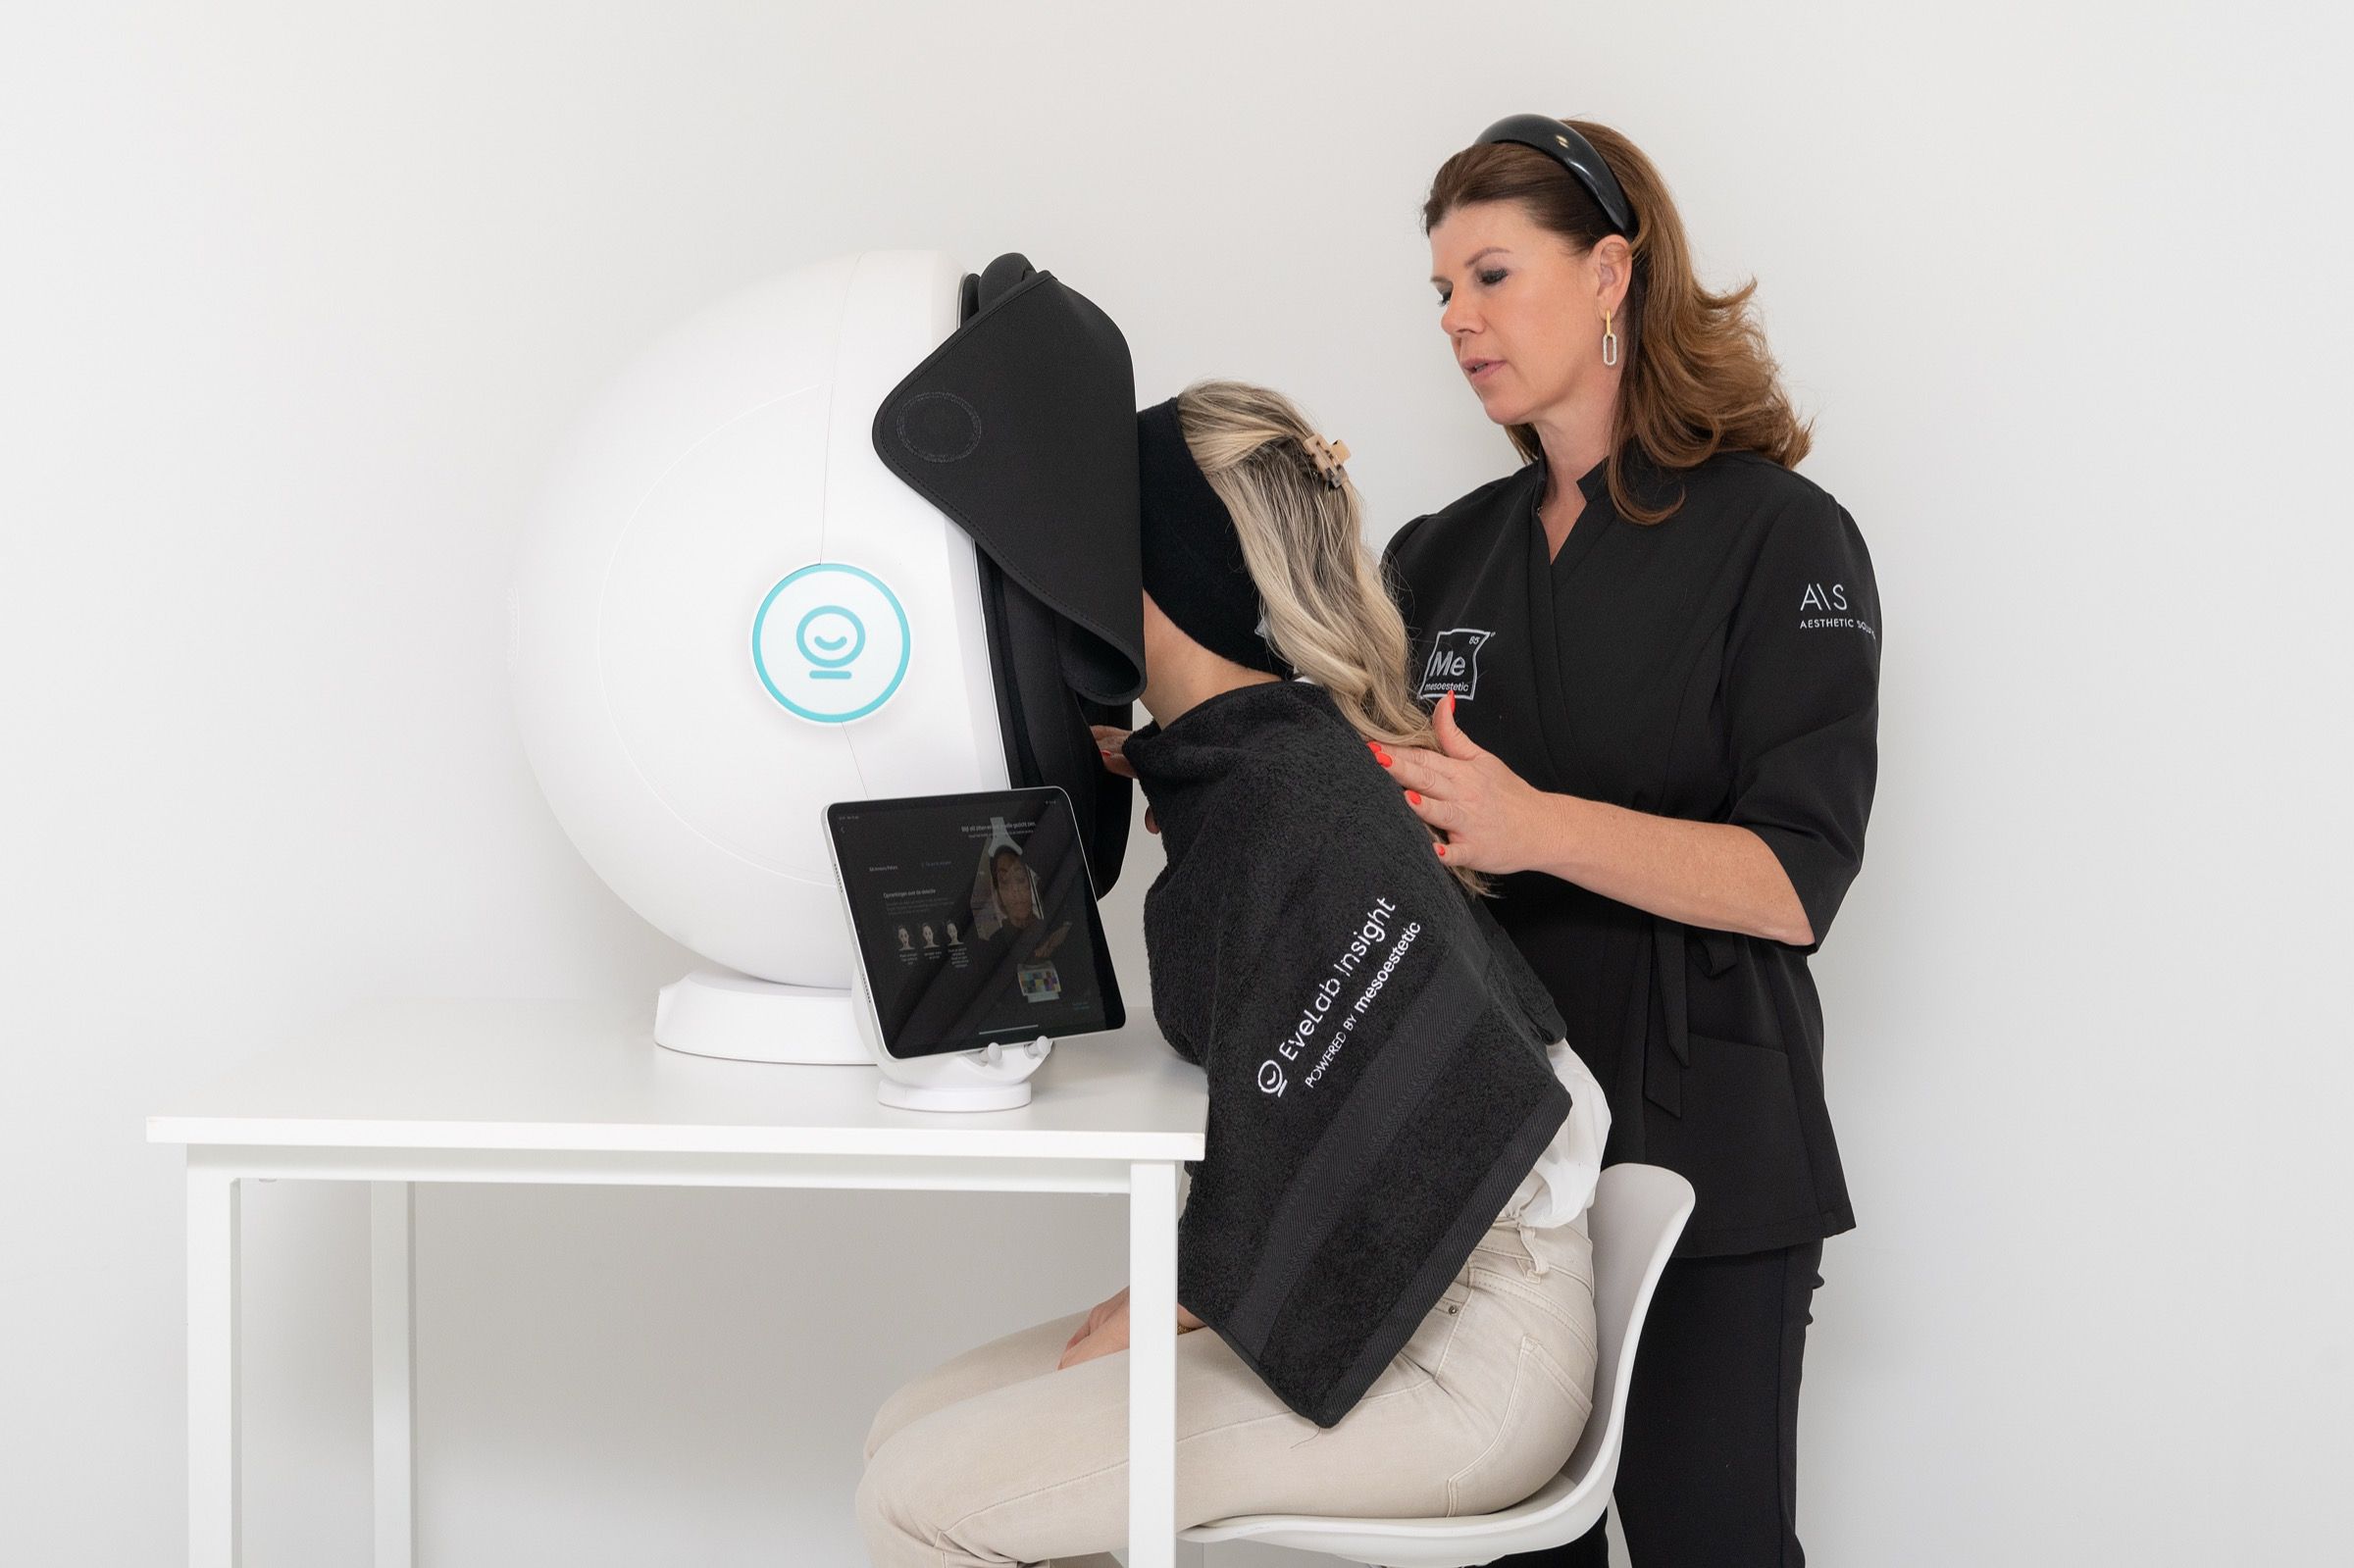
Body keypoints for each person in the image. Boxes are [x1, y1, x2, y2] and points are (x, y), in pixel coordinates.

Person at [854, 381, 1612, 1567]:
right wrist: (1162, 776)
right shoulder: (1254, 765)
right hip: (1413, 1279)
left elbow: (1391, 1124)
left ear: (1156, 576)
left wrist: (1180, 1300)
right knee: (910, 1429)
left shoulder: (1281, 794)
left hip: (1469, 1346)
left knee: (920, 1496)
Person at [1383, 115, 1881, 1566]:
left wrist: (1530, 825)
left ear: (1611, 271)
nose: (1457, 321)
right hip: (1486, 1149)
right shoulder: (1437, 554)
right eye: (1439, 293)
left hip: (1701, 1128)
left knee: (1705, 1538)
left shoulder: (1781, 536)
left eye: (1489, 274)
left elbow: (1793, 880)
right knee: (1499, 1549)